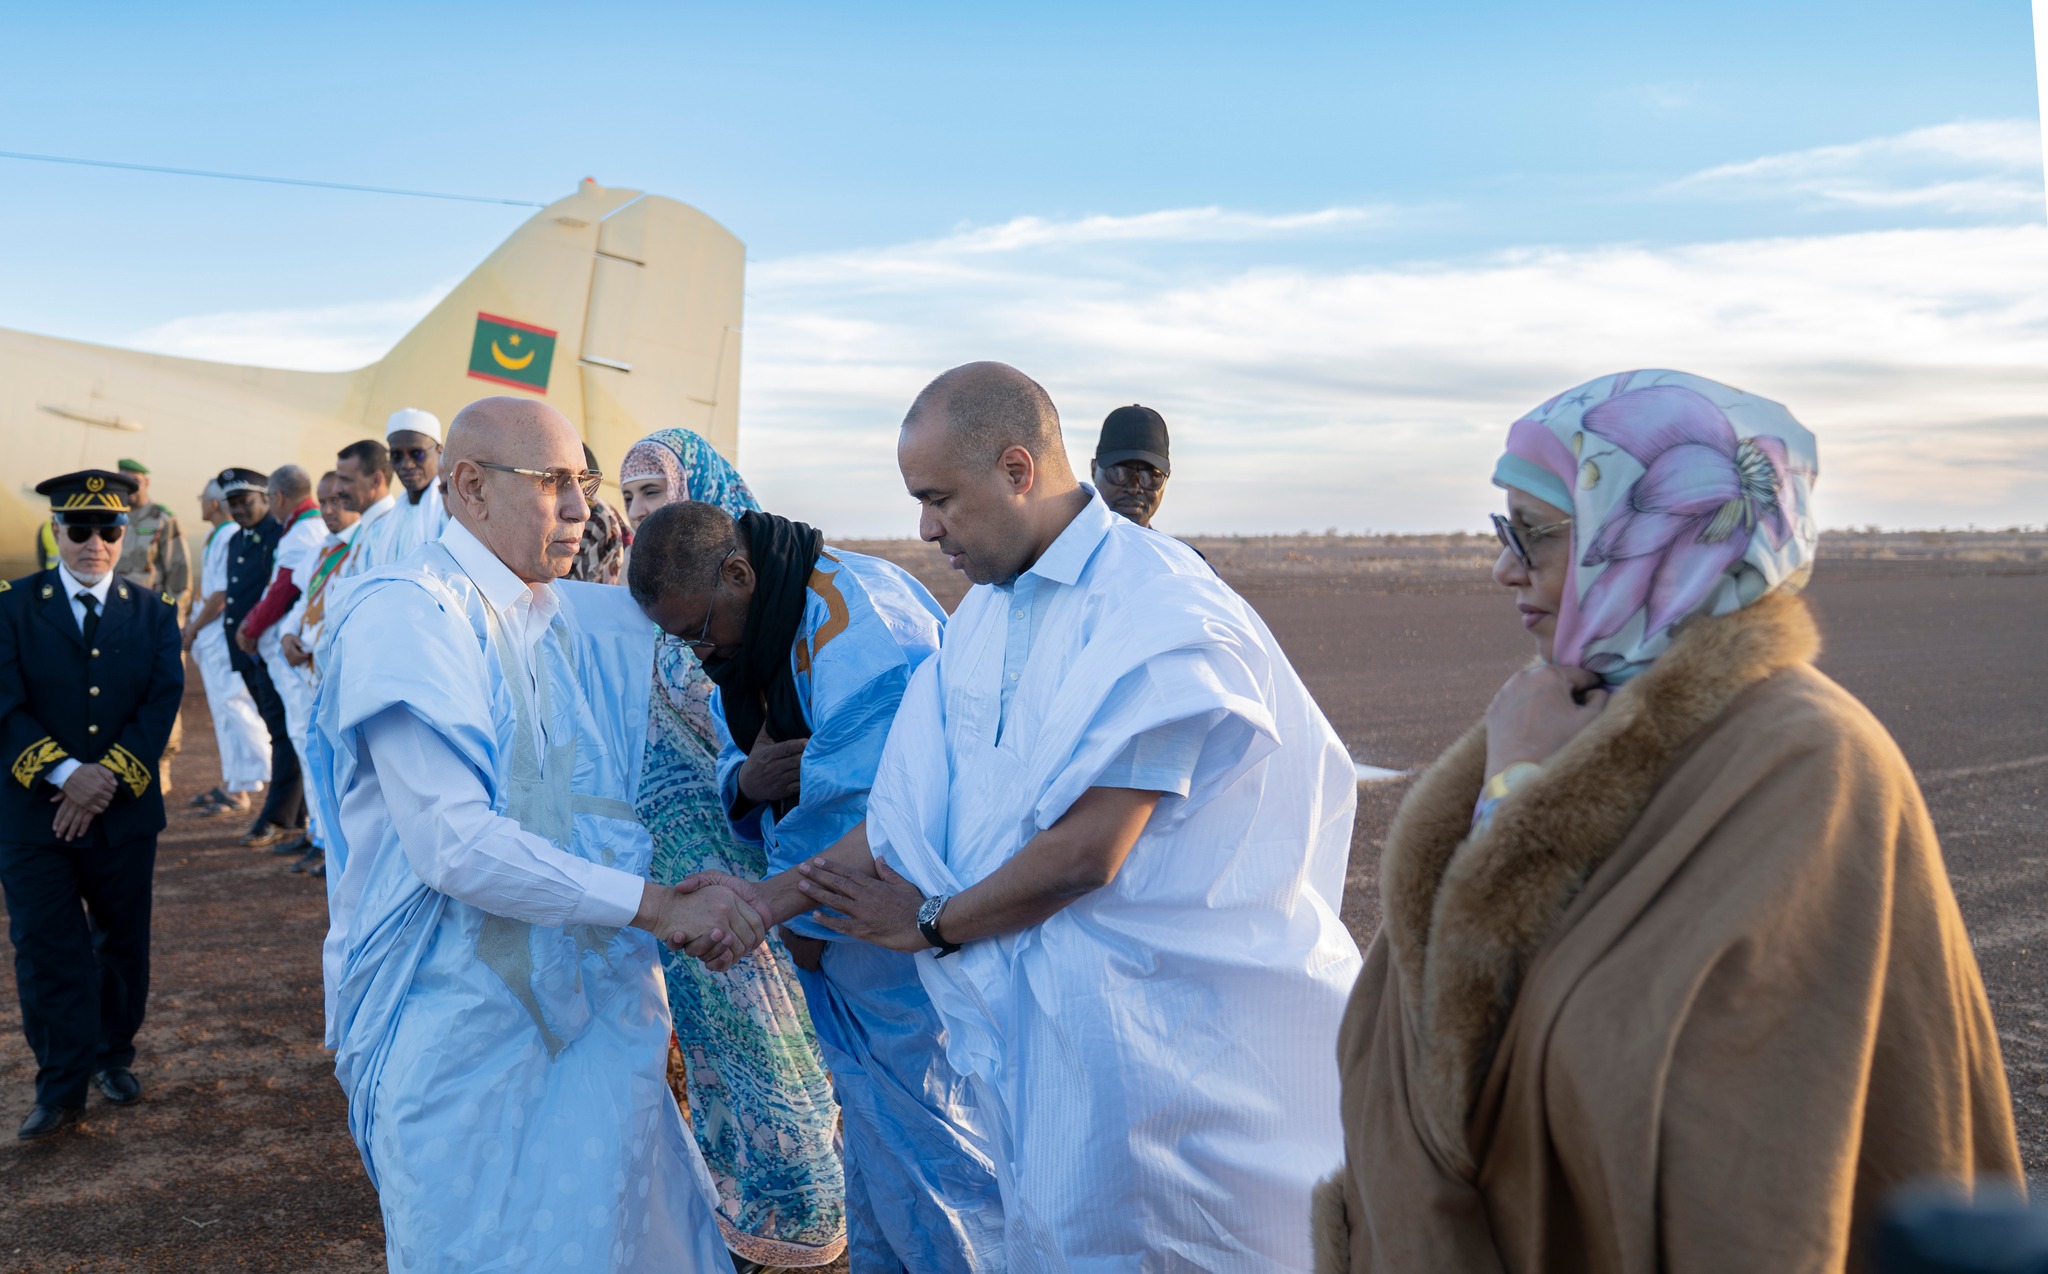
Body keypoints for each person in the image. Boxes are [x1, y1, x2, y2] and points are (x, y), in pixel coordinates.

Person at [1314, 371, 2022, 1273]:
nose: (1504, 567)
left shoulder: (1808, 763)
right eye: (1503, 532)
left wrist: (1516, 800)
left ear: (1664, 536)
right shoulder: (1561, 713)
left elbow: (1727, 1141)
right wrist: (1509, 784)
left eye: (1534, 533)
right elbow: (1435, 1028)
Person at [726, 362, 1362, 1270]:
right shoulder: (984, 620)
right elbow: (906, 814)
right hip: (1045, 1054)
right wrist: (764, 903)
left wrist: (931, 923)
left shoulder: (1157, 607)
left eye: (939, 499)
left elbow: (1089, 851)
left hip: (1172, 1059)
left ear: (1017, 469)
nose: (926, 528)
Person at [306, 395, 762, 1272]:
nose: (582, 508)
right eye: (553, 482)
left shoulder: (555, 616)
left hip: (595, 1011)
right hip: (457, 1030)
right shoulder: (411, 615)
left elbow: (738, 609)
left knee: (622, 1230)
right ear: (471, 486)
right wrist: (658, 906)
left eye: (583, 482)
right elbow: (453, 844)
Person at [632, 496, 1004, 1273]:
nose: (700, 654)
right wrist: (749, 783)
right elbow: (744, 758)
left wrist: (775, 907)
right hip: (828, 926)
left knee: (937, 1147)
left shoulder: (862, 632)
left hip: (893, 934)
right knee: (871, 1141)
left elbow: (883, 812)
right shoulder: (757, 628)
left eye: (700, 631)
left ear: (739, 574)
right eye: (682, 640)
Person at [613, 429, 848, 1272]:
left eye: (654, 491)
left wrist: (749, 778)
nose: (639, 510)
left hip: (758, 875)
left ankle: (808, 1224)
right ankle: (752, 1220)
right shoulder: (645, 604)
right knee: (717, 1055)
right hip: (684, 877)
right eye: (629, 496)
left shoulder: (768, 615)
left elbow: (793, 744)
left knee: (778, 1051)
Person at [0, 470, 183, 1140]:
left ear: (124, 533)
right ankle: (60, 1088)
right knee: (46, 950)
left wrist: (102, 780)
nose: (94, 543)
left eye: (108, 529)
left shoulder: (154, 613)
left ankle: (113, 1055)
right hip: (33, 817)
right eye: (79, 529)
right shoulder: (12, 607)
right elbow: (4, 703)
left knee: (122, 946)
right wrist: (66, 774)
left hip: (121, 814)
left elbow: (159, 704)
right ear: (56, 531)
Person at [236, 466, 327, 862]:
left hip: (296, 656)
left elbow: (282, 591)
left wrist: (250, 626)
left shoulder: (301, 532)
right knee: (305, 742)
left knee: (307, 742)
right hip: (299, 651)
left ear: (277, 497)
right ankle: (315, 829)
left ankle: (322, 836)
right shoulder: (308, 528)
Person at [274, 472, 360, 876]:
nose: (328, 510)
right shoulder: (324, 548)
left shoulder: (362, 547)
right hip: (306, 669)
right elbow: (304, 602)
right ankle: (318, 833)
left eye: (337, 500)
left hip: (333, 669)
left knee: (341, 762)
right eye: (323, 502)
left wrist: (312, 646)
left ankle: (337, 845)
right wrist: (287, 633)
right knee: (311, 753)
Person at [216, 468, 302, 849]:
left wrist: (253, 630)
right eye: (232, 504)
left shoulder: (278, 535)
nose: (239, 510)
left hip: (268, 650)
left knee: (283, 732)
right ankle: (296, 811)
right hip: (247, 652)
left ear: (266, 498)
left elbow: (282, 592)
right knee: (276, 729)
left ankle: (279, 815)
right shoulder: (238, 539)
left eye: (245, 502)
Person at [180, 480, 269, 818]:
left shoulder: (229, 535)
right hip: (210, 637)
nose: (201, 504)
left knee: (235, 706)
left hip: (219, 636)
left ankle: (255, 778)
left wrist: (193, 628)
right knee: (223, 711)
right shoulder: (215, 535)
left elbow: (220, 595)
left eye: (203, 499)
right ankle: (235, 780)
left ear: (214, 504)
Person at [113, 457, 192, 793]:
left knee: (161, 692)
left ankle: (162, 764)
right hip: (115, 623)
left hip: (152, 623)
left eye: (134, 482)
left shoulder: (163, 520)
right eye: (122, 482)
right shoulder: (112, 518)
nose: (128, 489)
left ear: (145, 483)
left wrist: (171, 627)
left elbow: (179, 579)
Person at [348, 407, 447, 573]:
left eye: (417, 454)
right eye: (396, 456)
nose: (406, 464)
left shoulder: (452, 514)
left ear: (439, 451)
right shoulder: (382, 526)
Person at [1091, 404, 1172, 528]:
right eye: (1119, 473)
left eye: (1151, 477)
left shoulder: (1166, 544)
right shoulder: (1064, 539)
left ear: (1166, 478)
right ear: (1094, 470)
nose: (1134, 489)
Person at [331, 437, 397, 580]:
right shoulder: (367, 526)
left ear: (376, 480)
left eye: (346, 480)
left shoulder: (391, 530)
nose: (337, 489)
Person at [569, 442, 630, 584]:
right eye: (552, 481)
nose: (635, 511)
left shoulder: (599, 518)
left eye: (651, 492)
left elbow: (580, 591)